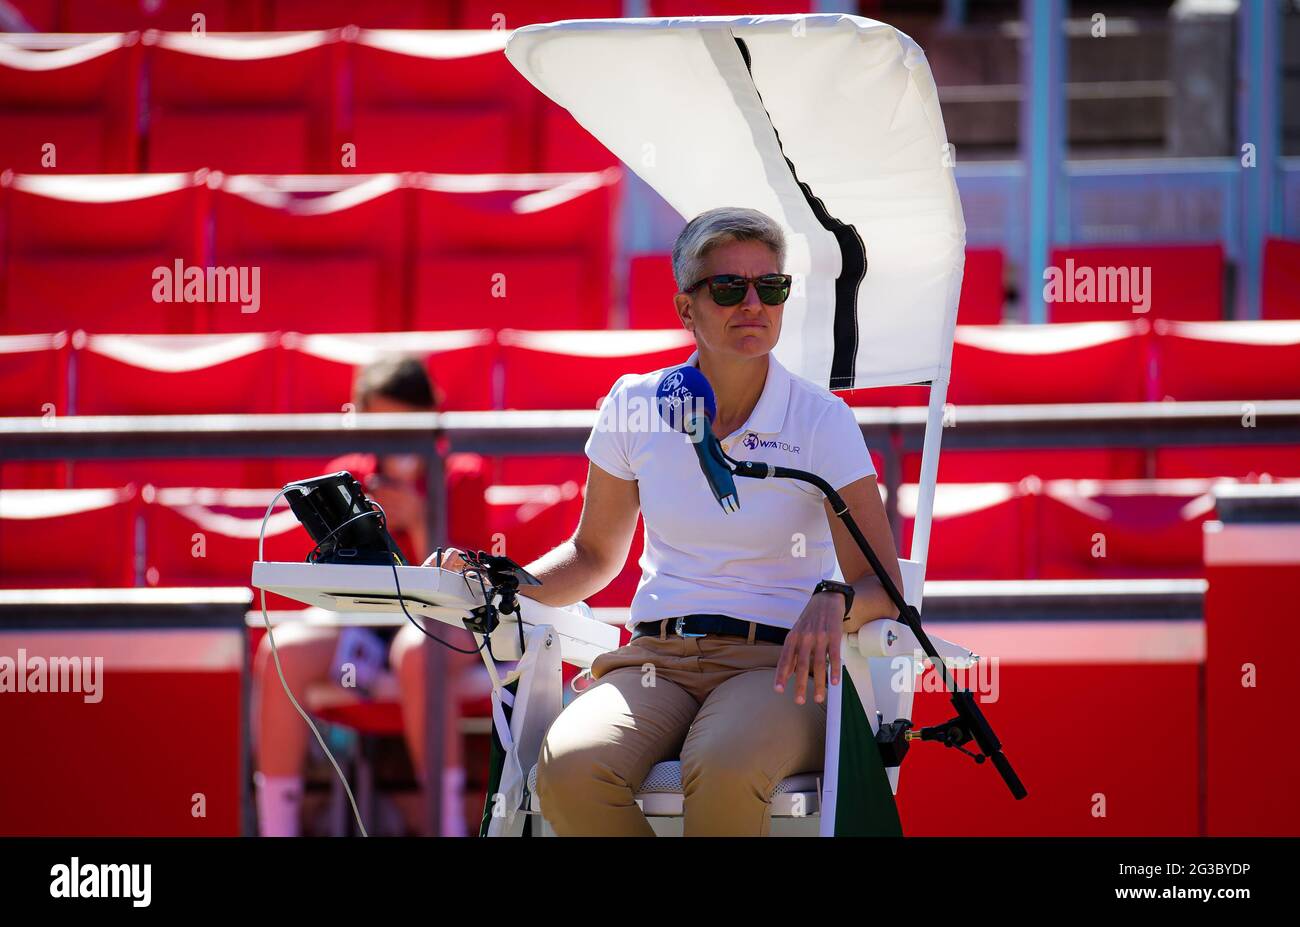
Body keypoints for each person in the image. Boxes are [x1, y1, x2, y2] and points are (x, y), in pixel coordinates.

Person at [428, 206, 903, 836]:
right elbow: (594, 556)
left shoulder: (823, 419)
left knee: (725, 764)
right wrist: (502, 582)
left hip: (777, 665)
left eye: (772, 286)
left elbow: (882, 589)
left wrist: (836, 602)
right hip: (655, 657)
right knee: (570, 768)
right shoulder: (634, 404)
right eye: (728, 287)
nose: (753, 304)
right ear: (686, 310)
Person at [252, 356, 484, 837]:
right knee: (279, 651)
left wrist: (420, 521)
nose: (394, 439)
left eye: (406, 424)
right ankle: (277, 828)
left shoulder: (462, 475)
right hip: (364, 630)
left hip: (450, 632)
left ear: (431, 415)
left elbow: (466, 593)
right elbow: (335, 587)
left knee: (416, 655)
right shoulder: (345, 475)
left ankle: (448, 828)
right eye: (381, 425)